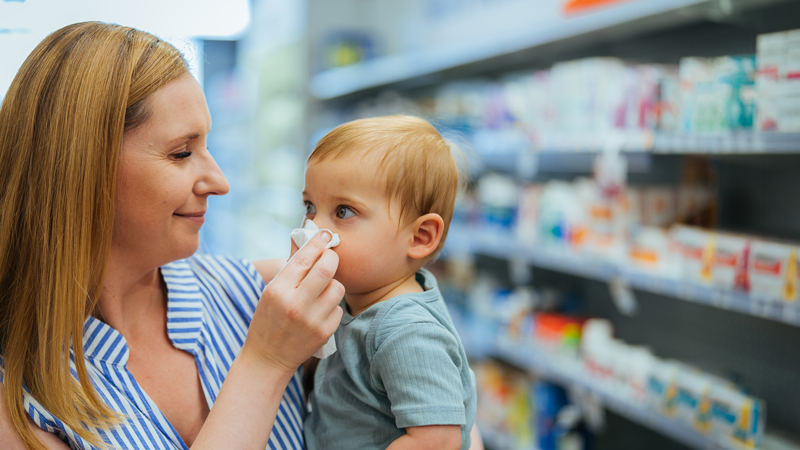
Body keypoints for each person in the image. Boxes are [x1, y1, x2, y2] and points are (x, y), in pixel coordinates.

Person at [0, 22, 345, 450]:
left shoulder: (257, 296)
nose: (219, 182)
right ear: (82, 170)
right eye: (182, 152)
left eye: (206, 147)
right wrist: (265, 363)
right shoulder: (17, 399)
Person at [301, 116, 477, 450]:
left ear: (420, 237)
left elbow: (437, 442)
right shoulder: (356, 296)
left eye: (343, 212)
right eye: (310, 206)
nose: (313, 230)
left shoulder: (405, 331)